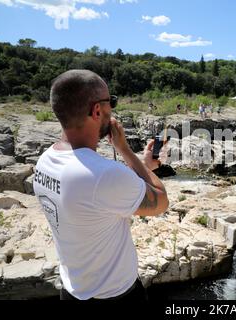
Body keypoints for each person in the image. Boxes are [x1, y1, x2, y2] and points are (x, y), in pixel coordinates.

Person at [33, 70, 169, 300]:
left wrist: (143, 165)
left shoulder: (46, 161)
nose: (112, 108)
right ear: (97, 110)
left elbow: (95, 196)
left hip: (71, 290)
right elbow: (161, 202)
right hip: (116, 295)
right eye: (111, 102)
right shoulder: (105, 176)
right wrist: (125, 150)